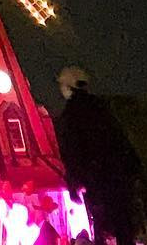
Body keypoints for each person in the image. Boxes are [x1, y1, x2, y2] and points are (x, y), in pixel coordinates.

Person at [54, 67, 142, 245]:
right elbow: (120, 139)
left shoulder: (70, 116)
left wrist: (74, 182)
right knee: (123, 224)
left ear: (68, 87)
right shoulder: (103, 107)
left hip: (95, 180)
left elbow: (71, 153)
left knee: (100, 225)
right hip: (118, 177)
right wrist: (134, 169)